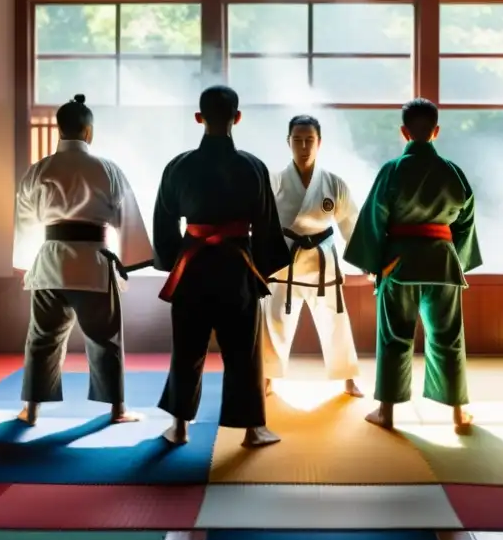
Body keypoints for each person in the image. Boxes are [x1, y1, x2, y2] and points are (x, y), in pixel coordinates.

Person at [153, 85, 292, 448]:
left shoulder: (179, 166)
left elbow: (165, 221)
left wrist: (169, 261)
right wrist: (264, 267)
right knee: (242, 351)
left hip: (193, 267)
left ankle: (180, 427)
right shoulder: (252, 167)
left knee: (187, 348)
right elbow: (265, 224)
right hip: (236, 267)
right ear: (237, 117)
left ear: (199, 118)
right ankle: (252, 430)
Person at [12, 94, 153, 426]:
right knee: (106, 339)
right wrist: (133, 262)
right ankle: (117, 409)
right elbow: (128, 217)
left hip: (49, 263)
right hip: (93, 263)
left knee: (42, 338)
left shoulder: (39, 170)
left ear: (60, 130)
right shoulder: (107, 169)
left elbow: (24, 220)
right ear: (89, 132)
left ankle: (31, 409)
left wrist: (25, 262)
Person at [343, 98, 481, 433]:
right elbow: (465, 220)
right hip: (443, 264)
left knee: (394, 338)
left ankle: (387, 412)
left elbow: (375, 217)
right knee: (448, 337)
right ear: (436, 131)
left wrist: (374, 263)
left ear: (403, 132)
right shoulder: (453, 172)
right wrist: (457, 258)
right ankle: (459, 414)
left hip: (399, 263)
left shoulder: (393, 170)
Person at [261, 115, 363, 398]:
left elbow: (351, 225)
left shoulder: (333, 183)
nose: (303, 146)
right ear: (288, 142)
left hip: (322, 260)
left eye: (309, 140)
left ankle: (348, 378)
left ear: (319, 143)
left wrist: (368, 263)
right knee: (274, 318)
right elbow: (262, 223)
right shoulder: (275, 181)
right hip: (284, 259)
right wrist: (258, 262)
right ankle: (268, 376)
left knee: (335, 318)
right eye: (297, 140)